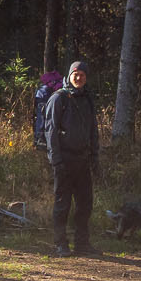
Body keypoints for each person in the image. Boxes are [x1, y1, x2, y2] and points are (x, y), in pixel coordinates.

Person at [43, 61, 99, 256]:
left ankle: (82, 244)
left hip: (83, 161)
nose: (79, 77)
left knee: (85, 204)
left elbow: (93, 131)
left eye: (82, 74)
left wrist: (95, 157)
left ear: (86, 77)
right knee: (62, 204)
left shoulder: (88, 99)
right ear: (69, 75)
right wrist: (56, 161)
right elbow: (50, 132)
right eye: (75, 74)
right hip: (64, 161)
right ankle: (61, 244)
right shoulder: (58, 99)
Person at [32, 69, 64, 151]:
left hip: (42, 97)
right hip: (44, 97)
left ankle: (39, 139)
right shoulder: (60, 82)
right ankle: (41, 139)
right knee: (43, 117)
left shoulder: (45, 86)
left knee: (41, 117)